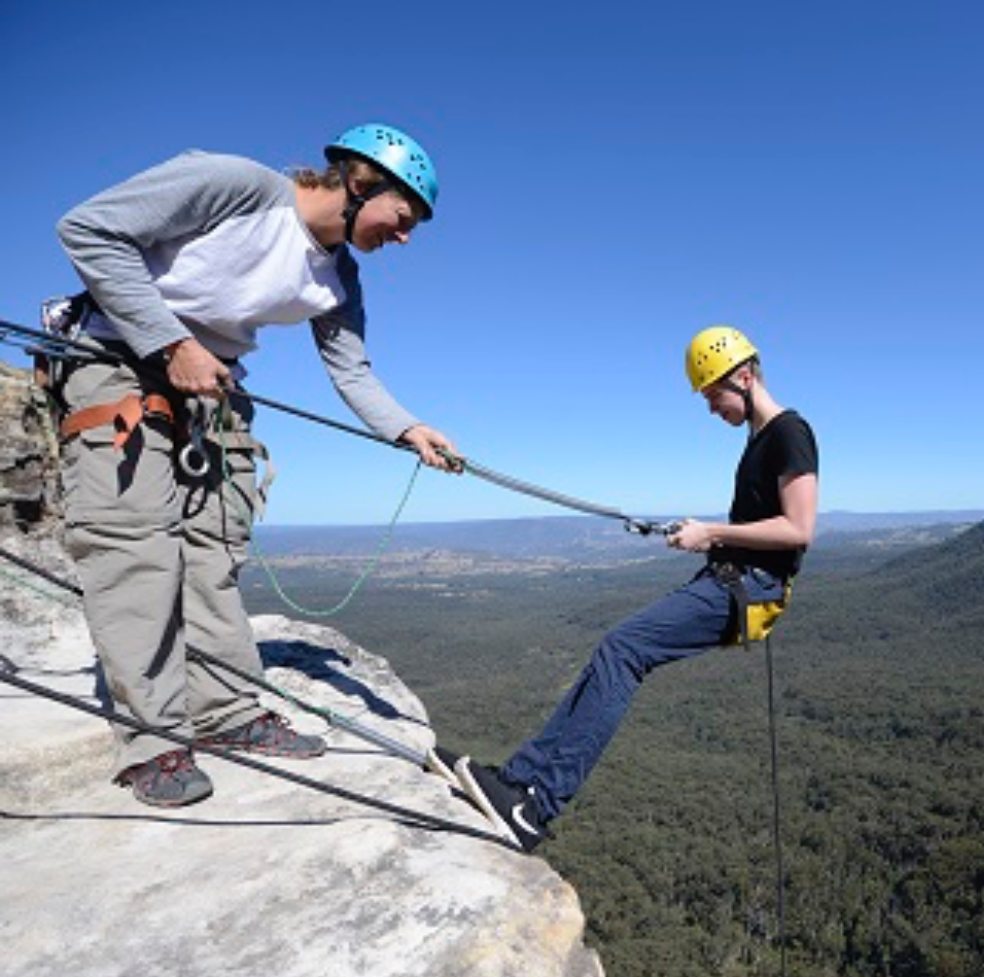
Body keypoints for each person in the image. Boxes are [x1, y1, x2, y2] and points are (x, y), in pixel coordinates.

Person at [48, 123, 460, 808]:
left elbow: (351, 371)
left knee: (215, 551)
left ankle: (225, 711)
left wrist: (407, 428)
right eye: (403, 216)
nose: (406, 236)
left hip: (213, 388)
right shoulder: (236, 185)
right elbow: (88, 230)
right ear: (361, 183)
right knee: (137, 549)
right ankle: (151, 739)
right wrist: (172, 342)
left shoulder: (341, 278)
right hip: (116, 363)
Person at [433, 326, 819, 851]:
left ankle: (537, 806)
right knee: (612, 652)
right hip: (734, 579)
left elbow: (798, 530)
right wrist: (703, 540)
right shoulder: (759, 441)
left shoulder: (790, 433)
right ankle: (518, 780)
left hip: (750, 587)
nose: (711, 410)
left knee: (623, 650)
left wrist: (712, 532)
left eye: (714, 396)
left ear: (745, 378)